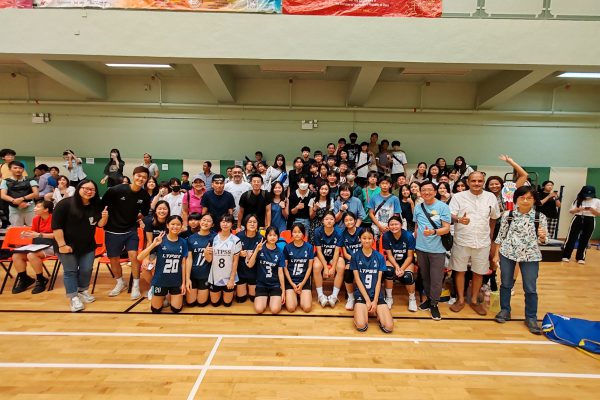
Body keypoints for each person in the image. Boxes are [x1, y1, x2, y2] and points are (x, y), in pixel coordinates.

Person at [493, 186, 548, 334]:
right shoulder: (508, 215)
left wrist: (542, 237)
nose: (525, 201)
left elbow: (544, 240)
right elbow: (501, 236)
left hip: (530, 256)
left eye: (529, 198)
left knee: (530, 287)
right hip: (508, 253)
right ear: (516, 199)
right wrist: (496, 254)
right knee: (506, 283)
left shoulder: (539, 217)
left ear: (534, 200)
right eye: (522, 198)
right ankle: (505, 310)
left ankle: (531, 317)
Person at [448, 172, 500, 316]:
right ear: (468, 182)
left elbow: (494, 218)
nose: (476, 183)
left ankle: (475, 301)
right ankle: (460, 299)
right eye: (473, 181)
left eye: (479, 181)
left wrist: (490, 237)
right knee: (459, 270)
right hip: (462, 239)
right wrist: (458, 219)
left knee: (479, 271)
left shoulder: (491, 197)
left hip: (483, 241)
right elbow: (449, 214)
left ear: (483, 182)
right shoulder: (458, 197)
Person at [52, 180, 108, 312]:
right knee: (70, 271)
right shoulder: (64, 204)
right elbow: (56, 227)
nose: (89, 192)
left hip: (87, 245)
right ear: (79, 188)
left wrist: (105, 217)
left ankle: (82, 291)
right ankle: (73, 297)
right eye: (86, 188)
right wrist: (62, 245)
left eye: (92, 190)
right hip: (67, 245)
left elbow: (99, 224)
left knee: (86, 269)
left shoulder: (95, 205)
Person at [102, 166, 151, 300]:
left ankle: (135, 284)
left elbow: (145, 213)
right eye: (139, 176)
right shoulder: (116, 190)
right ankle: (120, 282)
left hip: (130, 230)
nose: (141, 179)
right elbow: (102, 206)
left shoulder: (144, 195)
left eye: (144, 177)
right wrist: (104, 218)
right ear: (133, 175)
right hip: (112, 230)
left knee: (134, 256)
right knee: (114, 259)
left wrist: (135, 219)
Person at [413, 181, 451, 321]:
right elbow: (417, 226)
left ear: (435, 192)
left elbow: (446, 228)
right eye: (424, 190)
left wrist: (434, 231)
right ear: (420, 193)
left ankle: (434, 303)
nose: (426, 193)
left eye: (429, 190)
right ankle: (429, 299)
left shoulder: (443, 207)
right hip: (421, 248)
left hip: (437, 249)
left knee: (436, 278)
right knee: (425, 276)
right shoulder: (418, 207)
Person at [137, 216, 187, 314]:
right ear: (167, 225)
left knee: (176, 309)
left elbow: (183, 263)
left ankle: (169, 296)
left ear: (181, 227)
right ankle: (162, 294)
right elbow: (139, 257)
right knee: (155, 310)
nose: (175, 227)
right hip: (160, 280)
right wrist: (153, 244)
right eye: (173, 224)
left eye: (178, 225)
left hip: (176, 280)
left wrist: (183, 283)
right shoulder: (160, 240)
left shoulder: (183, 242)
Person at [351, 227, 393, 333]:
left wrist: (374, 301)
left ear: (373, 239)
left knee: (389, 327)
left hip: (376, 295)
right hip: (362, 295)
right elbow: (358, 280)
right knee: (361, 326)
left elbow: (379, 281)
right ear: (360, 239)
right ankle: (364, 310)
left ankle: (377, 312)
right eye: (364, 238)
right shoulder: (355, 256)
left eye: (369, 238)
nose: (367, 240)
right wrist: (367, 301)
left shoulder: (379, 257)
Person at [11, 200, 55, 294]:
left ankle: (40, 279)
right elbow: (34, 233)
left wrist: (39, 235)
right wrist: (26, 234)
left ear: (46, 209)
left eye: (38, 207)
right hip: (39, 244)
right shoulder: (36, 219)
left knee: (31, 255)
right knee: (16, 255)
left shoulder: (55, 218)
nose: (34, 208)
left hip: (54, 245)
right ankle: (24, 279)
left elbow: (58, 235)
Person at [246, 227, 286, 314]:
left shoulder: (280, 252)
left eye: (274, 235)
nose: (272, 237)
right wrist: (256, 250)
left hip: (275, 284)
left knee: (275, 310)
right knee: (259, 309)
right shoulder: (260, 248)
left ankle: (272, 298)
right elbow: (250, 265)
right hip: (262, 284)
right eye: (270, 235)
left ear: (278, 237)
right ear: (266, 236)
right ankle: (266, 298)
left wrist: (283, 291)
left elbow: (280, 272)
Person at [382, 216, 418, 312]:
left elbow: (410, 256)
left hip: (406, 261)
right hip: (393, 260)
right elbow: (389, 255)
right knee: (388, 271)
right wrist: (397, 267)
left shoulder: (408, 236)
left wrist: (402, 268)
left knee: (407, 276)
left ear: (401, 225)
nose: (394, 227)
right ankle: (389, 298)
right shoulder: (386, 236)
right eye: (391, 225)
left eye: (396, 224)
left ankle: (412, 299)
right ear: (388, 226)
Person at [313, 211, 344, 308]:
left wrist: (333, 267)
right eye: (326, 219)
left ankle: (334, 296)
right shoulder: (318, 231)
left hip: (333, 256)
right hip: (321, 255)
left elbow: (336, 251)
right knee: (317, 266)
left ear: (335, 221)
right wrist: (326, 267)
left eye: (331, 219)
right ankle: (321, 295)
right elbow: (318, 250)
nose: (329, 221)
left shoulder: (339, 232)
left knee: (341, 265)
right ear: (322, 221)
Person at [208, 214, 240, 307]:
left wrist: (232, 279)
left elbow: (235, 261)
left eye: (228, 221)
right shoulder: (213, 238)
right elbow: (209, 260)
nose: (225, 224)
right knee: (215, 304)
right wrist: (206, 253)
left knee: (227, 304)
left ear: (232, 224)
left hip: (228, 277)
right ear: (220, 223)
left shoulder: (236, 240)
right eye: (223, 221)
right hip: (215, 277)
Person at [562, 185, 600, 264]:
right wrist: (580, 209)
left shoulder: (597, 201)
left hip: (590, 219)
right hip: (578, 218)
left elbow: (598, 214)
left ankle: (580, 257)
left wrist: (592, 210)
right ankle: (566, 256)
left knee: (585, 239)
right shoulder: (578, 200)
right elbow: (571, 211)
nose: (588, 197)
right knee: (571, 237)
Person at [185, 213, 216, 307]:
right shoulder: (191, 238)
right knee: (190, 304)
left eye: (209, 221)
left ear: (213, 224)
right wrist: (187, 279)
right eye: (204, 220)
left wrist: (207, 254)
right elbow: (189, 259)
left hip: (206, 275)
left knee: (201, 303)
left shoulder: (215, 238)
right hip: (193, 275)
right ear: (200, 221)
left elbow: (212, 260)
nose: (205, 222)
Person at [283, 223, 314, 313]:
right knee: (291, 308)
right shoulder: (287, 247)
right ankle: (294, 294)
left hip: (304, 280)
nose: (297, 234)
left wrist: (302, 283)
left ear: (303, 234)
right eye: (294, 232)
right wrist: (292, 284)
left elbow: (309, 268)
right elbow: (285, 267)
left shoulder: (309, 247)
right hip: (291, 281)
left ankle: (300, 294)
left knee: (307, 308)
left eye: (299, 232)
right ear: (291, 234)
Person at [0, 161, 39, 226]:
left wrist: (21, 199)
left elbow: (36, 193)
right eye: (15, 168)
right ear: (10, 169)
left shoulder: (31, 180)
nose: (18, 170)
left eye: (20, 168)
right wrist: (15, 201)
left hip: (30, 208)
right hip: (14, 209)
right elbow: (3, 195)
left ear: (23, 169)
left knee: (33, 228)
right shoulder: (5, 181)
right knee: (16, 230)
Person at [236, 214, 263, 303]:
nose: (252, 224)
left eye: (254, 222)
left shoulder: (261, 238)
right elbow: (230, 254)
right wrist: (238, 253)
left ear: (257, 224)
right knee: (241, 299)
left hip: (254, 272)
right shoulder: (238, 236)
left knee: (253, 299)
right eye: (249, 222)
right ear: (245, 224)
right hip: (241, 271)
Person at [339, 211, 363, 311]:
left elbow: (367, 248)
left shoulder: (362, 231)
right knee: (348, 273)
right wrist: (354, 261)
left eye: (351, 220)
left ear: (355, 220)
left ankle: (362, 294)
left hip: (363, 259)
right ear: (344, 222)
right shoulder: (342, 234)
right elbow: (345, 254)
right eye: (346, 220)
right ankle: (351, 297)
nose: (349, 222)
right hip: (350, 260)